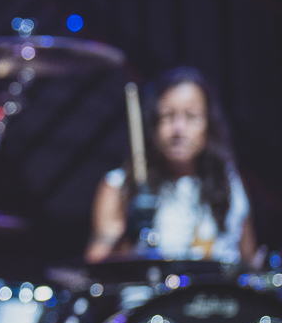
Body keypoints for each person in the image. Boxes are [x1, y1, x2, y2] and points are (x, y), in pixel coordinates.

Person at [86, 67, 258, 265]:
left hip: (216, 295)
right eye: (167, 116)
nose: (178, 129)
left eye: (192, 116)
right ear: (153, 124)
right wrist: (127, 235)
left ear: (209, 125)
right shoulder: (120, 187)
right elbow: (95, 268)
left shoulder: (228, 182)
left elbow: (249, 265)